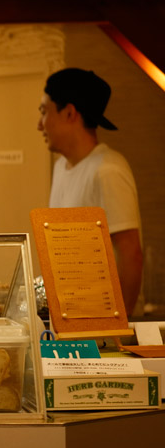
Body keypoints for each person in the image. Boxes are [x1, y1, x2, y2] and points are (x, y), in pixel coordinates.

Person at [38, 67, 143, 315]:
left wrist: (119, 328)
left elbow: (131, 254)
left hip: (103, 321)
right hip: (71, 315)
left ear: (70, 113)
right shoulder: (61, 168)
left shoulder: (107, 170)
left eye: (44, 112)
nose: (39, 125)